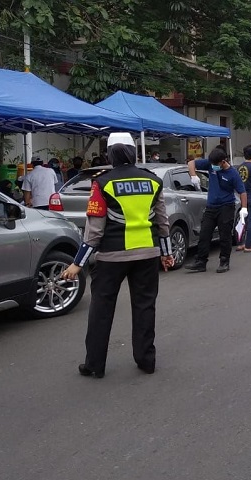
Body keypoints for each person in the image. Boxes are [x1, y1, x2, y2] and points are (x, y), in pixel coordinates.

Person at [60, 132, 174, 378]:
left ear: (110, 154)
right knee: (145, 307)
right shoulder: (153, 181)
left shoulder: (102, 183)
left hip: (112, 256)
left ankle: (95, 365)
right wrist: (166, 253)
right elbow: (162, 222)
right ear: (133, 152)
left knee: (101, 310)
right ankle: (146, 361)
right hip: (147, 254)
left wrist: (77, 263)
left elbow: (94, 230)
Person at [185, 147, 246, 273]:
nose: (213, 166)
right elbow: (191, 163)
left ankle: (224, 261)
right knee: (204, 234)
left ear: (223, 161)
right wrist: (193, 175)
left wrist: (244, 208)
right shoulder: (211, 164)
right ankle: (201, 261)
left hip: (226, 207)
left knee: (225, 236)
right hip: (211, 207)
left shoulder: (233, 174)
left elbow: (242, 192)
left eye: (215, 164)